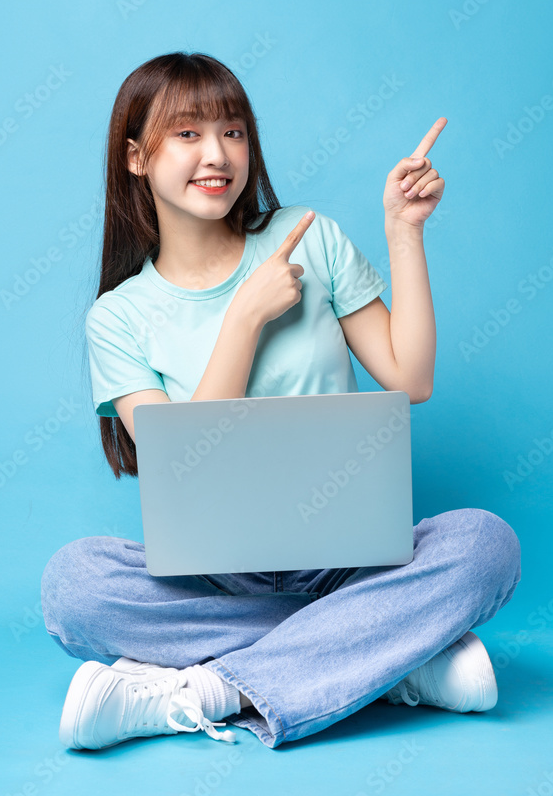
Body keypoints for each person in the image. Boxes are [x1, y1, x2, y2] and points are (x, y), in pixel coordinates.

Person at [40, 51, 521, 751]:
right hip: (216, 575)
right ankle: (390, 657)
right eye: (187, 134)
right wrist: (243, 319)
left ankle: (207, 689)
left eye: (232, 132)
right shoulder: (117, 317)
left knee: (485, 544)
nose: (216, 154)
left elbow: (409, 378)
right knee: (73, 585)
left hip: (347, 560)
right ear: (137, 157)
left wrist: (403, 231)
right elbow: (184, 468)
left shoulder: (309, 238)